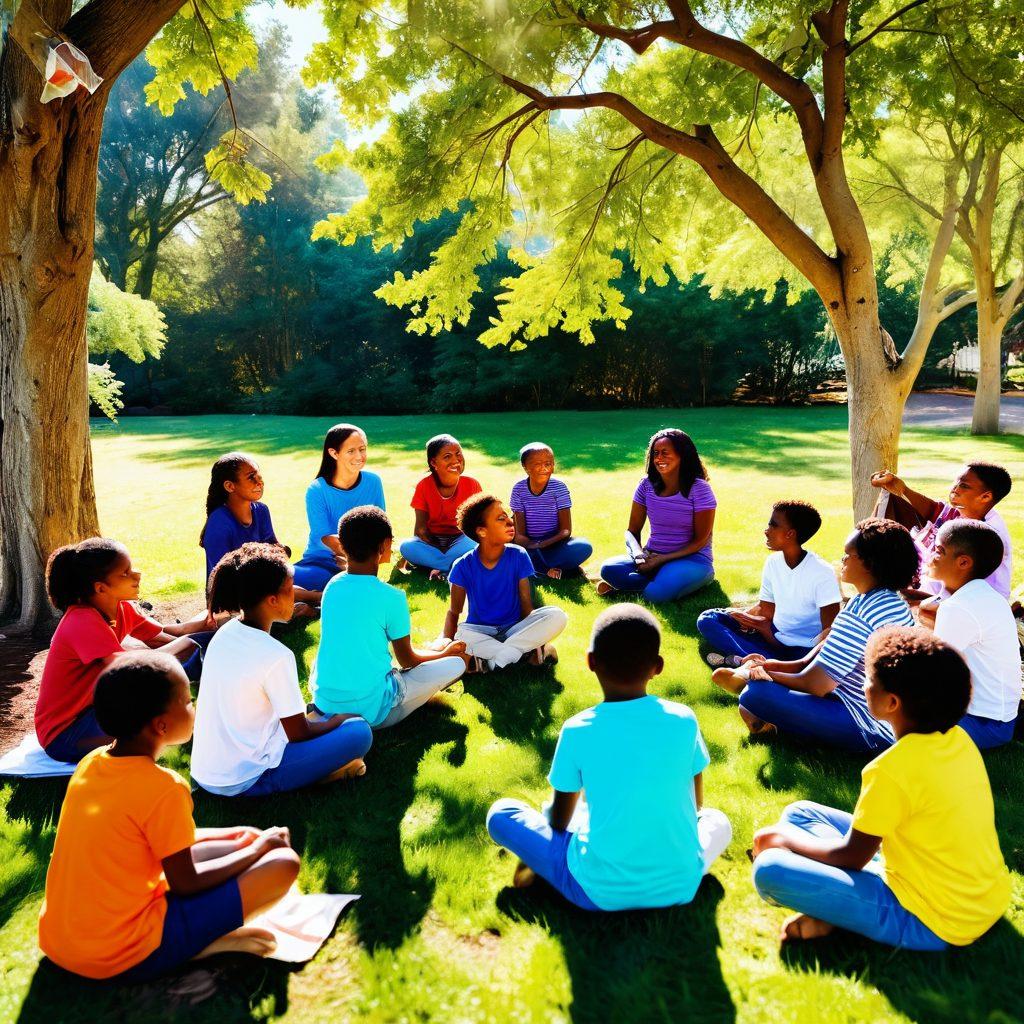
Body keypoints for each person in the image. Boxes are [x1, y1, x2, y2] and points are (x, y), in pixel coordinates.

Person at [38, 653, 302, 981]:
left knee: (244, 835)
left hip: (61, 942)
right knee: (284, 863)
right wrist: (257, 849)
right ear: (161, 724)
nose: (194, 708)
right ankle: (198, 944)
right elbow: (186, 882)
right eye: (188, 701)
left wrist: (245, 838)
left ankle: (198, 928)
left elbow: (158, 844)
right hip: (120, 954)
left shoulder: (92, 763)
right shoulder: (164, 787)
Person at [751, 628, 1012, 949]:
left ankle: (834, 913)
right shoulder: (959, 741)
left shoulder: (890, 769)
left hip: (933, 919)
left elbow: (852, 857)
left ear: (891, 702)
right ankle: (835, 907)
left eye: (869, 678)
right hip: (983, 898)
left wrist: (783, 840)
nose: (863, 684)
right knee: (799, 813)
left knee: (770, 867)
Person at [486, 604, 731, 910]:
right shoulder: (684, 719)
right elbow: (696, 807)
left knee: (502, 813)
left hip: (596, 892)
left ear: (590, 662)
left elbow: (559, 821)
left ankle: (548, 865)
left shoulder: (577, 729)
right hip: (681, 885)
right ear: (658, 666)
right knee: (717, 821)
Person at [714, 519, 918, 753]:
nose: (842, 560)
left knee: (756, 695)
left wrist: (756, 674)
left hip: (871, 725)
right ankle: (774, 721)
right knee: (758, 694)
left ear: (870, 564)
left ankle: (777, 720)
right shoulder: (890, 602)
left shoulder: (863, 611)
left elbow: (815, 684)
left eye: (848, 555)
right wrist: (774, 666)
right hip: (878, 710)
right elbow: (810, 662)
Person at [190, 544, 373, 796]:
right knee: (358, 730)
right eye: (290, 591)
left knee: (318, 717)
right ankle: (323, 774)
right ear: (272, 600)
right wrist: (338, 720)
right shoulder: (276, 656)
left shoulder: (225, 634)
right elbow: (299, 733)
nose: (296, 596)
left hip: (206, 772)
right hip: (246, 778)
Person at [34, 538, 209, 764]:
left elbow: (163, 636)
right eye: (125, 573)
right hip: (66, 734)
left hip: (96, 710)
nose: (137, 575)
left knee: (185, 670)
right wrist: (187, 643)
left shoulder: (121, 608)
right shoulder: (81, 620)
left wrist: (205, 623)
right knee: (160, 715)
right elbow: (125, 669)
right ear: (101, 587)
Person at [310, 506, 468, 728]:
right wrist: (444, 653)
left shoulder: (332, 586)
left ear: (342, 546)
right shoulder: (391, 597)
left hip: (326, 704)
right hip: (373, 713)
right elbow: (408, 660)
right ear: (385, 545)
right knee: (456, 664)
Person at [697, 501, 841, 666]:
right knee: (708, 619)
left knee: (803, 660)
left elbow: (830, 633)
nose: (766, 531)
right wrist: (744, 616)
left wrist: (766, 630)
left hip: (803, 651)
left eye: (773, 525)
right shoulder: (773, 563)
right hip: (771, 635)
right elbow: (766, 610)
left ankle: (758, 663)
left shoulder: (823, 572)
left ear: (790, 534)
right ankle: (758, 662)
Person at [918, 520, 1021, 750]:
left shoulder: (959, 607)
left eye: (939, 551)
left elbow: (929, 670)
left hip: (983, 724)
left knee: (885, 715)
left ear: (963, 562)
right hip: (999, 720)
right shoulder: (985, 595)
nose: (931, 556)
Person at [442, 493, 567, 672]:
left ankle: (490, 662)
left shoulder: (518, 555)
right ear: (482, 531)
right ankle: (523, 653)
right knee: (461, 635)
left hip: (514, 628)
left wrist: (533, 631)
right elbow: (454, 612)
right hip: (480, 631)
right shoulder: (462, 566)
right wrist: (447, 642)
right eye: (501, 519)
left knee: (557, 616)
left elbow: (526, 606)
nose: (510, 522)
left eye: (508, 516)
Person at [597, 429, 716, 603]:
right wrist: (639, 556)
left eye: (665, 453)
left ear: (682, 455)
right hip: (652, 556)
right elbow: (631, 531)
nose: (659, 458)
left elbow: (701, 541)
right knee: (609, 568)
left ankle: (633, 589)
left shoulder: (699, 489)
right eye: (656, 453)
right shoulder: (646, 485)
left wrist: (661, 560)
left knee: (655, 595)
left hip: (692, 559)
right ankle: (652, 584)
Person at [870, 461, 1012, 598]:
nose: (954, 489)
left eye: (964, 486)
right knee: (892, 500)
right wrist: (901, 489)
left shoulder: (987, 535)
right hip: (941, 594)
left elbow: (956, 591)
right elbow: (934, 510)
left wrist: (910, 595)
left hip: (967, 603)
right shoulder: (965, 512)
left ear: (985, 496)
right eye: (956, 483)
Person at [199, 451, 320, 610]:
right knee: (288, 603)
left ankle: (316, 599)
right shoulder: (219, 523)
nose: (259, 482)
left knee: (287, 587)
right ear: (230, 486)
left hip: (261, 585)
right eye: (251, 477)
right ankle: (313, 601)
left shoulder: (261, 510)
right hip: (230, 597)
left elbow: (274, 548)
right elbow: (223, 576)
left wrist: (280, 552)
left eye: (259, 476)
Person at [293, 424, 385, 592]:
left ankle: (312, 597)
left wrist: (360, 562)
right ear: (333, 453)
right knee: (278, 579)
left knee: (339, 583)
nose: (359, 456)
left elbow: (381, 528)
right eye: (351, 451)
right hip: (320, 560)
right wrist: (353, 561)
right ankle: (313, 598)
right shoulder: (317, 489)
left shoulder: (374, 482)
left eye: (362, 449)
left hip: (361, 560)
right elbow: (325, 536)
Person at [398, 433, 482, 581]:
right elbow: (420, 529)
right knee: (406, 547)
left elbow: (478, 524)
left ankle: (439, 567)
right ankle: (450, 566)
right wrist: (436, 547)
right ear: (434, 463)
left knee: (478, 543)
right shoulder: (424, 486)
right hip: (433, 541)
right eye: (447, 456)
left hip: (461, 540)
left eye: (458, 454)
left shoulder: (471, 484)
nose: (456, 460)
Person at [510, 442, 592, 579]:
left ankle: (540, 567)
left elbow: (565, 531)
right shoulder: (519, 490)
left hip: (554, 544)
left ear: (553, 466)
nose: (544, 468)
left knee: (583, 546)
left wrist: (543, 544)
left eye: (548, 463)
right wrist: (534, 545)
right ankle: (551, 569)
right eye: (537, 464)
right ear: (525, 467)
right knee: (512, 551)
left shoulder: (559, 488)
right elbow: (519, 536)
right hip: (529, 546)